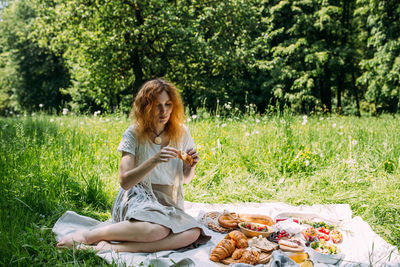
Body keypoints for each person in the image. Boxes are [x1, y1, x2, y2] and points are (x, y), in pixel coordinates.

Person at [56, 78, 210, 252]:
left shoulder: (182, 132)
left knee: (194, 232)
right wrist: (154, 160)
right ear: (146, 106)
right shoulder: (133, 134)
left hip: (168, 201)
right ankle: (88, 236)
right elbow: (125, 181)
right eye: (157, 105)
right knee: (159, 230)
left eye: (168, 104)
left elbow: (187, 179)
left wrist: (191, 166)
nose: (163, 111)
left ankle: (113, 249)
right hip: (138, 197)